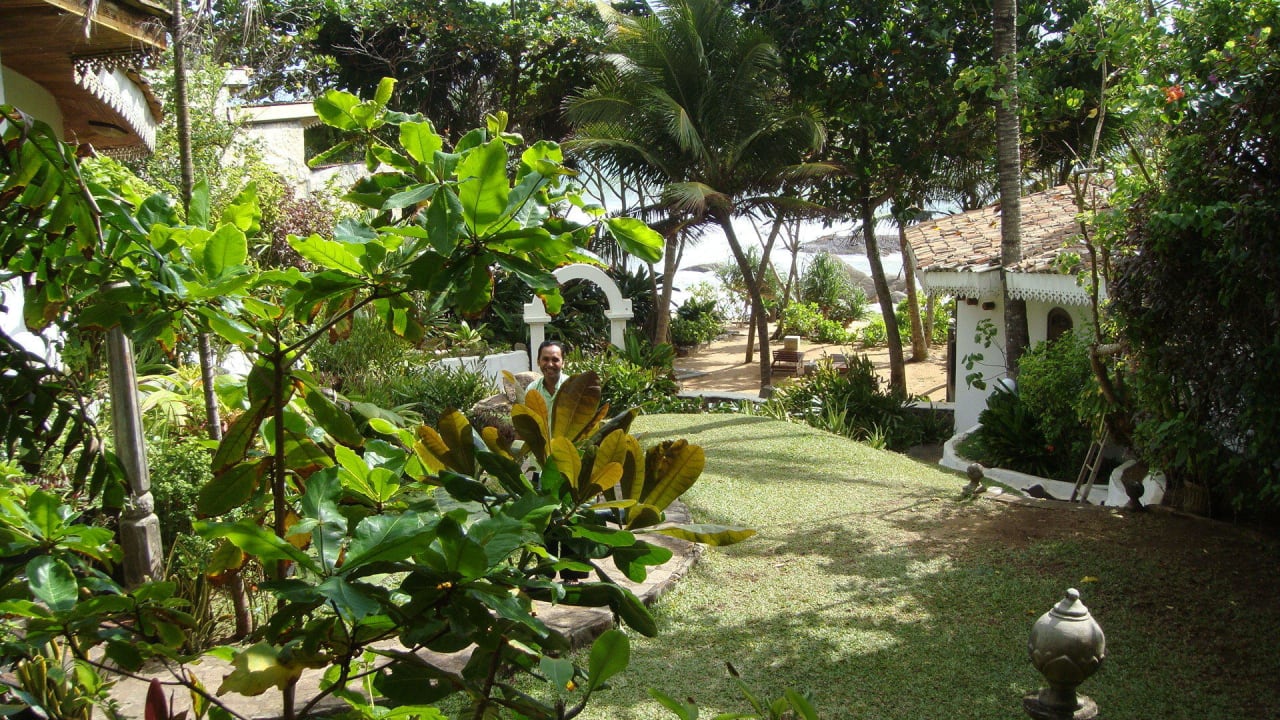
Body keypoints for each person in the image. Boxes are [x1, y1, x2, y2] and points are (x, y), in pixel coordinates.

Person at [526, 340, 565, 406]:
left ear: (563, 363)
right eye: (546, 359)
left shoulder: (572, 388)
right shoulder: (532, 390)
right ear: (538, 362)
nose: (550, 364)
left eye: (555, 360)